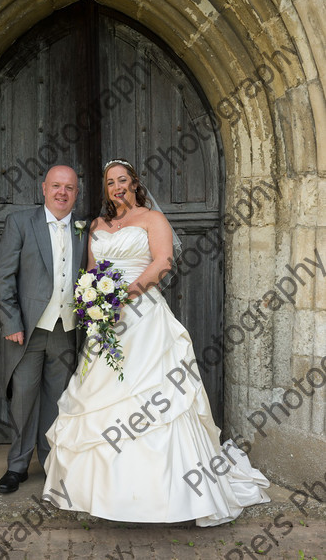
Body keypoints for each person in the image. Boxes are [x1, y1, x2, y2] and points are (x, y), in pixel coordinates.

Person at [41, 159, 270, 525]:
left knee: (156, 399)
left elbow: (163, 262)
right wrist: (95, 299)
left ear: (135, 184)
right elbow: (89, 271)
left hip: (145, 316)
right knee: (102, 397)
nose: (117, 187)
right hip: (107, 322)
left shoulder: (152, 219)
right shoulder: (98, 225)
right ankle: (104, 494)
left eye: (123, 181)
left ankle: (168, 494)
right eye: (110, 182)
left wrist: (125, 294)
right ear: (106, 189)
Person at [0, 165, 88, 494]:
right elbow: (4, 276)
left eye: (70, 188)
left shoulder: (84, 229)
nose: (63, 192)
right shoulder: (20, 223)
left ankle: (51, 463)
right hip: (28, 331)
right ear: (44, 188)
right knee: (22, 399)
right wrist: (11, 322)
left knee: (57, 400)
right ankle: (17, 466)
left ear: (77, 193)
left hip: (67, 330)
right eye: (57, 186)